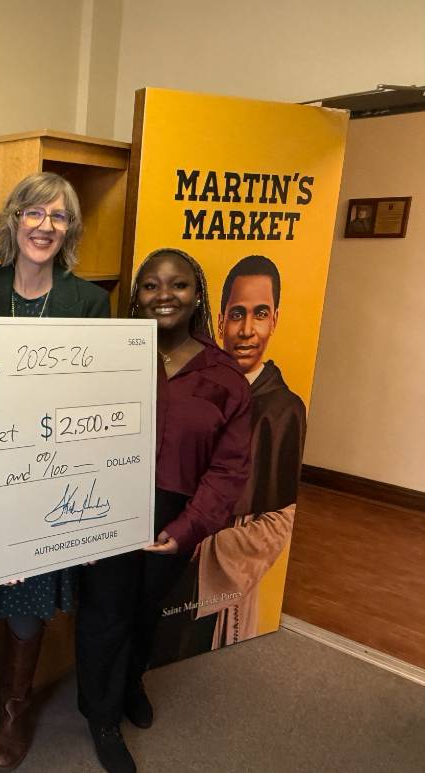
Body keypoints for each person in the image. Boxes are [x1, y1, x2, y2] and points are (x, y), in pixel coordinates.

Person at [74, 247, 251, 773]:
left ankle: (131, 681)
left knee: (144, 611)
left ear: (197, 295)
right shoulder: (108, 357)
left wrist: (187, 528)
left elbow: (229, 469)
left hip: (176, 517)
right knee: (104, 613)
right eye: (151, 286)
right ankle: (101, 717)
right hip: (104, 509)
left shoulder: (225, 378)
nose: (164, 296)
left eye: (177, 285)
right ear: (136, 297)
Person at [0, 172, 109, 773]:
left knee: (29, 594)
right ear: (14, 219)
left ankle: (14, 714)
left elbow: (100, 406)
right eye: (35, 213)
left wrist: (100, 506)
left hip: (51, 478)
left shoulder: (89, 302)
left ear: (69, 230)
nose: (45, 226)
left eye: (59, 216)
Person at [193, 254, 306, 646]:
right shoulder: (197, 387)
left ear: (274, 319)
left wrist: (207, 549)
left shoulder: (285, 410)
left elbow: (280, 517)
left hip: (219, 567)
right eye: (237, 314)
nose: (246, 329)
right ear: (221, 319)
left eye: (260, 314)